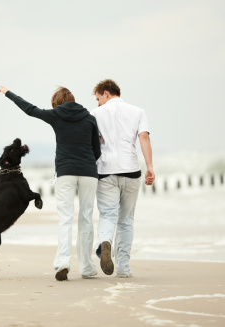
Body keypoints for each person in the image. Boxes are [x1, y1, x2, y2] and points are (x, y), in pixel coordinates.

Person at [0, 85, 101, 281]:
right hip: (88, 172)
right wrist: (86, 163)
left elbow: (30, 109)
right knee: (86, 218)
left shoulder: (56, 115)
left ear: (58, 103)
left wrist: (8, 93)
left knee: (65, 218)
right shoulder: (89, 118)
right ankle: (87, 267)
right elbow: (97, 150)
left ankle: (63, 263)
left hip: (65, 172)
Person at [90, 79, 155, 278]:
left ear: (106, 93)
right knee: (126, 220)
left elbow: (93, 142)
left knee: (108, 214)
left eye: (98, 98)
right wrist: (150, 167)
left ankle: (105, 242)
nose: (98, 103)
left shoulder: (94, 114)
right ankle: (124, 268)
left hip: (106, 171)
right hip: (131, 170)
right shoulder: (138, 111)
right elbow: (144, 137)